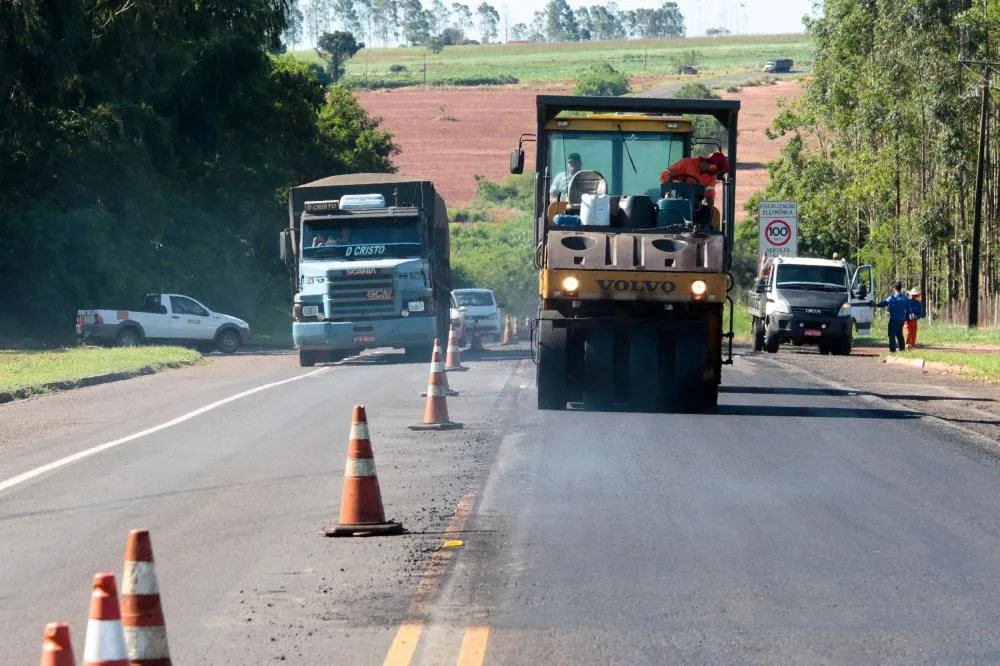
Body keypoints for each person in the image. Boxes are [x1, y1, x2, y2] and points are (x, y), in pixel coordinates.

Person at [659, 151, 731, 204]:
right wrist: (668, 178)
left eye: (720, 171)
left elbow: (710, 192)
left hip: (694, 206)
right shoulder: (686, 163)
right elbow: (665, 174)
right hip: (674, 201)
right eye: (718, 169)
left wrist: (710, 200)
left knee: (708, 215)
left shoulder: (712, 177)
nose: (718, 173)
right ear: (711, 163)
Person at [874, 280, 912, 353]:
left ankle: (893, 350)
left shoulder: (892, 297)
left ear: (894, 289)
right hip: (901, 320)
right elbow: (908, 310)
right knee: (899, 334)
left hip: (893, 319)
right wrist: (906, 318)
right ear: (901, 289)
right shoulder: (905, 298)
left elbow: (884, 303)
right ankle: (902, 349)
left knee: (891, 334)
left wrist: (876, 305)